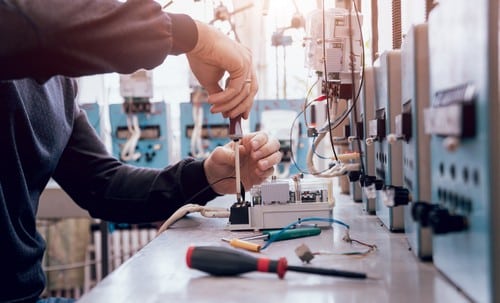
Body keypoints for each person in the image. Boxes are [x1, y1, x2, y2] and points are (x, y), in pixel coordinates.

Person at [0, 1, 282, 302]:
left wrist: (208, 176)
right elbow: (47, 26)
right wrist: (197, 37)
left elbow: (102, 185)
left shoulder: (59, 83)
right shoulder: (19, 27)